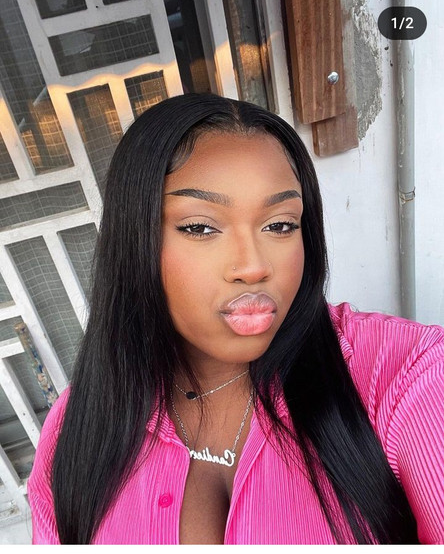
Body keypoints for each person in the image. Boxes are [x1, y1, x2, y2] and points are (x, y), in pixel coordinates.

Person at [27, 93, 444, 544]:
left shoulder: (407, 373)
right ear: (135, 241)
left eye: (280, 225)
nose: (253, 266)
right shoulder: (74, 430)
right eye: (200, 227)